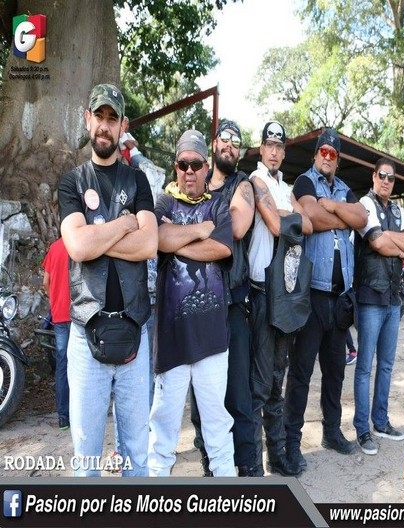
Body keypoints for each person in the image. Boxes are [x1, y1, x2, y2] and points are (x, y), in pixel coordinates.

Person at [58, 83, 158, 476]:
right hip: (86, 335)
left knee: (136, 456)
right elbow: (78, 247)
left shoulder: (138, 181)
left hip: (135, 331)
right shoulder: (72, 182)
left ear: (123, 126)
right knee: (86, 462)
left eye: (112, 119)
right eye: (98, 116)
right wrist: (122, 224)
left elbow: (149, 243)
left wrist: (98, 235)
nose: (104, 126)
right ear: (88, 119)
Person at [147, 129, 236, 477]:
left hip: (212, 338)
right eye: (182, 164)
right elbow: (158, 235)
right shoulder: (163, 203)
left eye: (196, 164)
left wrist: (174, 241)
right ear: (176, 167)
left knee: (217, 432)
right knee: (162, 437)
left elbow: (223, 247)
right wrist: (201, 231)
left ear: (206, 166)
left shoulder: (218, 204)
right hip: (171, 339)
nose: (189, 171)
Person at [284, 128, 368, 470]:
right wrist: (337, 216)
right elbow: (311, 217)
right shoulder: (304, 182)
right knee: (301, 372)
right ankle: (291, 441)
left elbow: (361, 218)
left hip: (341, 297)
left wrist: (331, 206)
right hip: (312, 295)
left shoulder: (345, 189)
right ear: (316, 154)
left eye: (333, 155)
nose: (328, 158)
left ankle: (332, 431)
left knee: (335, 372)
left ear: (337, 159)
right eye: (324, 152)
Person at [190, 120, 258, 477]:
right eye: (225, 138)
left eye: (237, 141)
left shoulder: (242, 185)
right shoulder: (194, 182)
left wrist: (190, 231)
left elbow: (233, 230)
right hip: (194, 304)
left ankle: (248, 469)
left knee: (237, 395)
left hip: (231, 303)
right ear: (214, 144)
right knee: (201, 401)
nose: (230, 145)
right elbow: (166, 229)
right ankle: (211, 466)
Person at [248, 121, 312, 476]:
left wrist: (286, 212)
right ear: (261, 148)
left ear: (284, 152)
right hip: (260, 293)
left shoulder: (283, 187)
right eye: (269, 144)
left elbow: (308, 225)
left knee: (277, 380)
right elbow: (277, 225)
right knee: (259, 383)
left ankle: (278, 456)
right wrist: (292, 215)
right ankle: (254, 463)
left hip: (284, 294)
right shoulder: (255, 181)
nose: (273, 151)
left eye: (279, 146)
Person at [353, 158, 404, 455]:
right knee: (364, 367)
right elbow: (376, 243)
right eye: (382, 175)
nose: (386, 181)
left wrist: (396, 240)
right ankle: (362, 430)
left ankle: (381, 421)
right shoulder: (365, 203)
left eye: (391, 177)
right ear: (374, 176)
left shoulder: (398, 209)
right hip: (369, 296)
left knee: (387, 365)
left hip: (393, 297)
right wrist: (395, 242)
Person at [42, 237, 71, 431]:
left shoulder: (54, 248)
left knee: (62, 365)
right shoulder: (82, 243)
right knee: (85, 365)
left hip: (60, 315)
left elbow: (46, 282)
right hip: (81, 316)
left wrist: (54, 300)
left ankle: (63, 417)